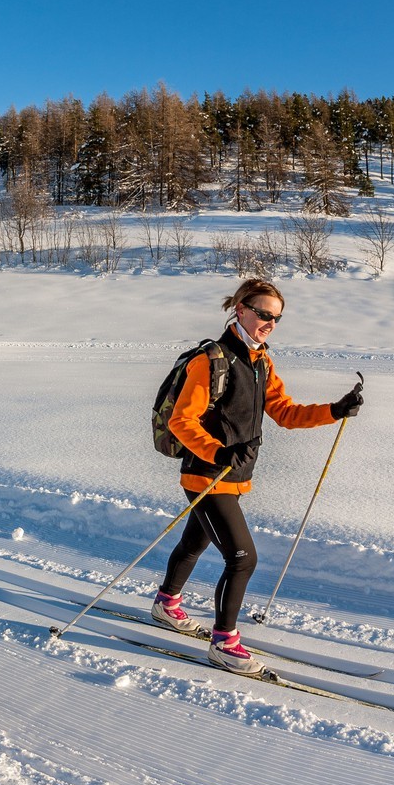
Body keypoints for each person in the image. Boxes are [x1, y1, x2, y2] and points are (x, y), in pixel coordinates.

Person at [153, 279, 363, 673]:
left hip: (234, 476)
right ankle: (224, 642)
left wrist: (334, 410)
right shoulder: (211, 360)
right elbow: (182, 420)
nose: (270, 323)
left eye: (277, 318)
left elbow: (284, 411)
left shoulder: (261, 361)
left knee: (195, 542)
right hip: (206, 475)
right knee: (242, 559)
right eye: (264, 314)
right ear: (241, 309)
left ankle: (167, 604)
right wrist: (219, 452)